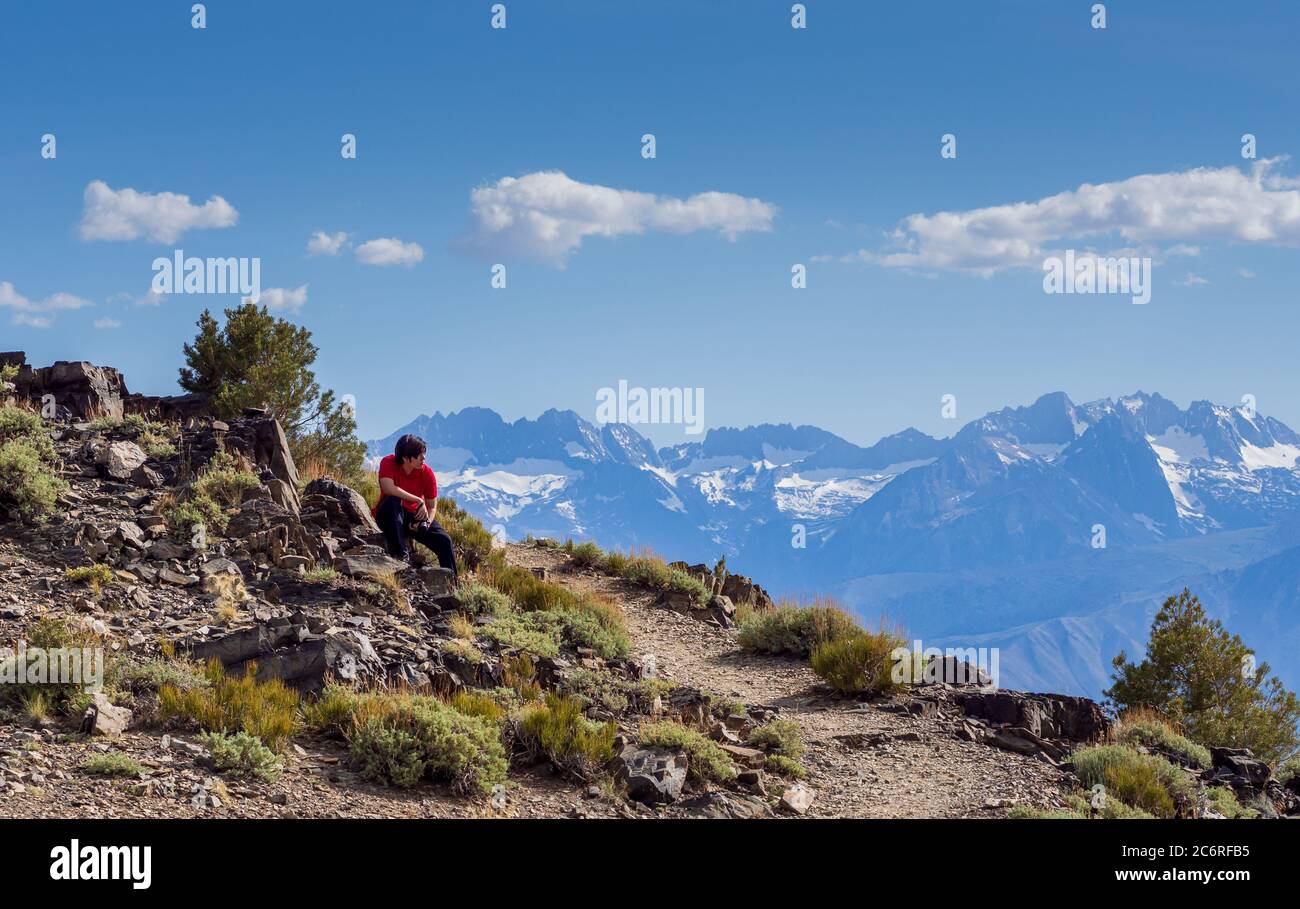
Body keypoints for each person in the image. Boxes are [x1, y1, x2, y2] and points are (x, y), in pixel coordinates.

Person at [372, 434, 457, 577]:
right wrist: (418, 500)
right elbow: (388, 488)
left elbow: (432, 506)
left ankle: (452, 584)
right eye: (419, 455)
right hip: (389, 516)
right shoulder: (388, 462)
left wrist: (426, 523)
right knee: (394, 501)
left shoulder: (427, 472)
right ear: (406, 458)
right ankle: (400, 557)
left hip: (412, 518)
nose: (424, 458)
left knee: (444, 540)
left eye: (424, 454)